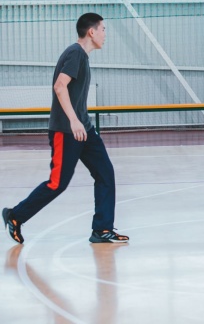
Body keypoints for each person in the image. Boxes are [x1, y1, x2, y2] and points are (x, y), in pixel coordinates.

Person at [2, 13, 130, 244]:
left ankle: (102, 229)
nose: (105, 34)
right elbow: (60, 86)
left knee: (105, 174)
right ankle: (14, 216)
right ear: (91, 31)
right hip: (67, 131)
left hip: (84, 130)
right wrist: (73, 120)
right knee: (57, 183)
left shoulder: (82, 56)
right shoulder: (75, 53)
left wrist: (81, 122)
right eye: (103, 29)